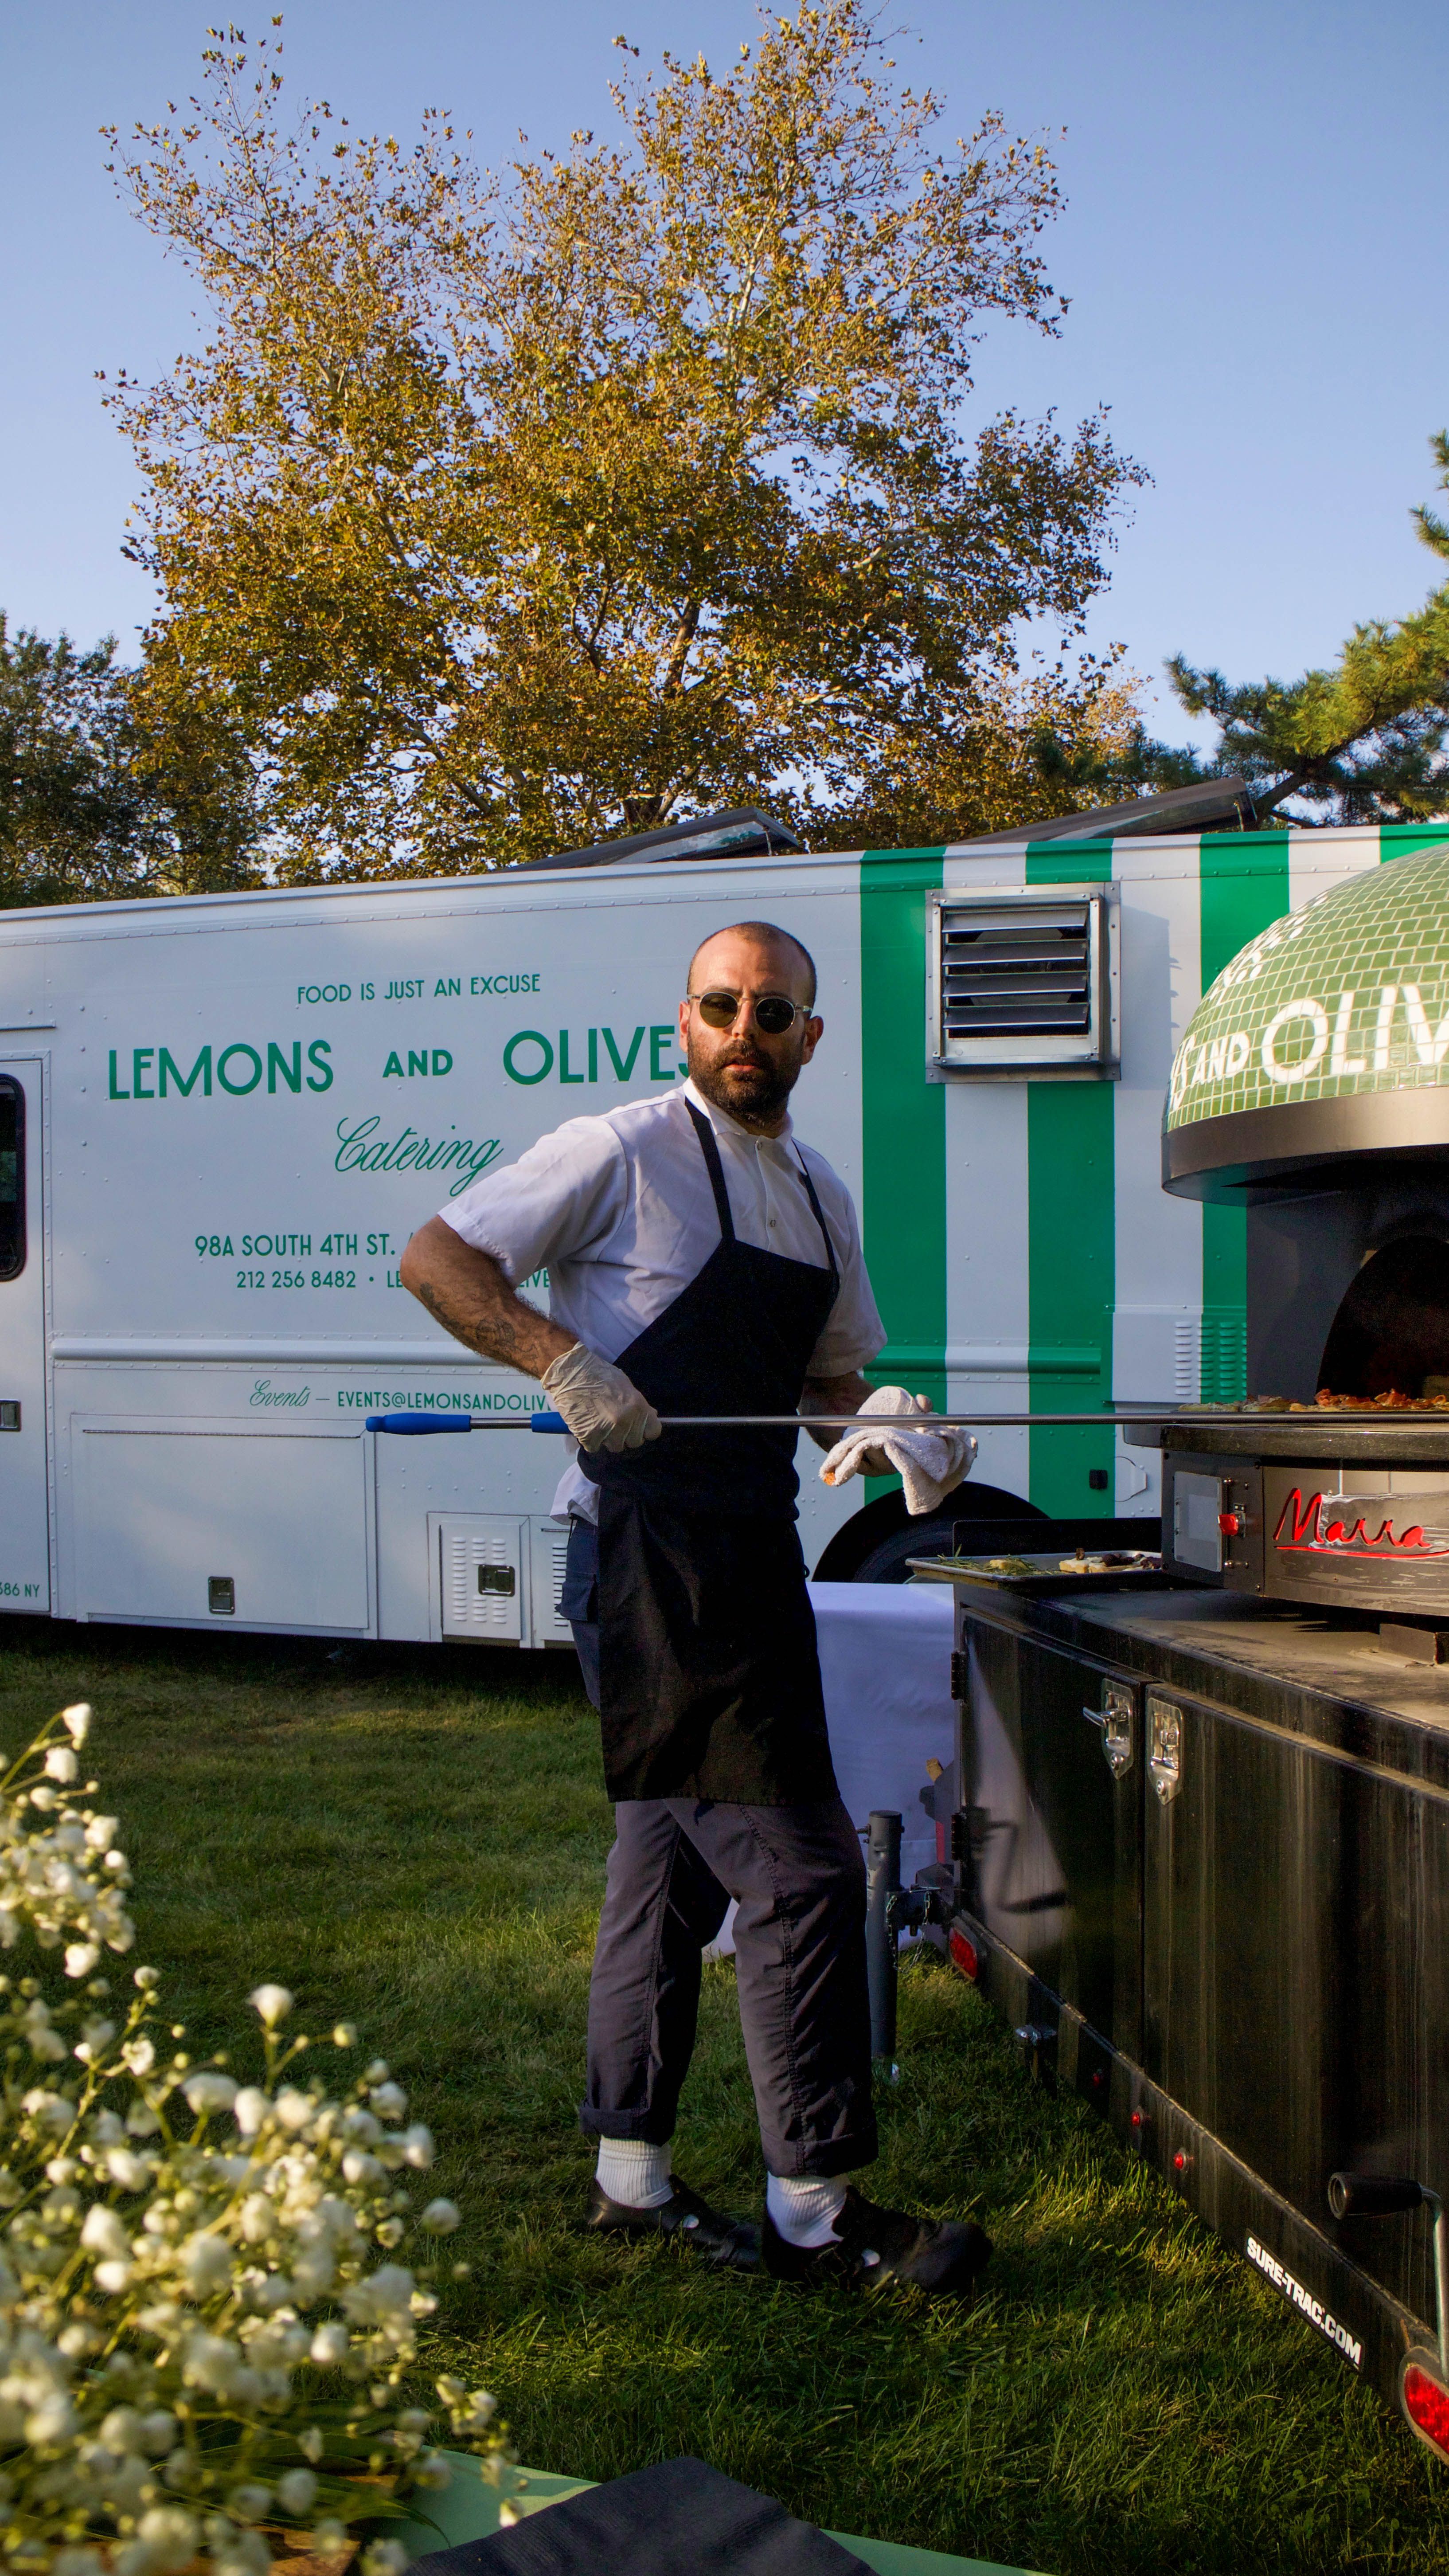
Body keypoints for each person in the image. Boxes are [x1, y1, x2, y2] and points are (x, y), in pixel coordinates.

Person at [399, 920, 990, 2298]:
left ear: (809, 1036)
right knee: (801, 1874)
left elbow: (830, 1386)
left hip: (751, 1552)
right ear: (685, 1020)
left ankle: (631, 2182)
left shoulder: (821, 1193)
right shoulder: (618, 1149)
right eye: (720, 1005)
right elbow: (437, 1256)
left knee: (663, 1875)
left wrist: (893, 1423)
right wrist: (563, 1362)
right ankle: (815, 2209)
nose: (745, 1028)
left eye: (772, 1010)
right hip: (640, 1556)